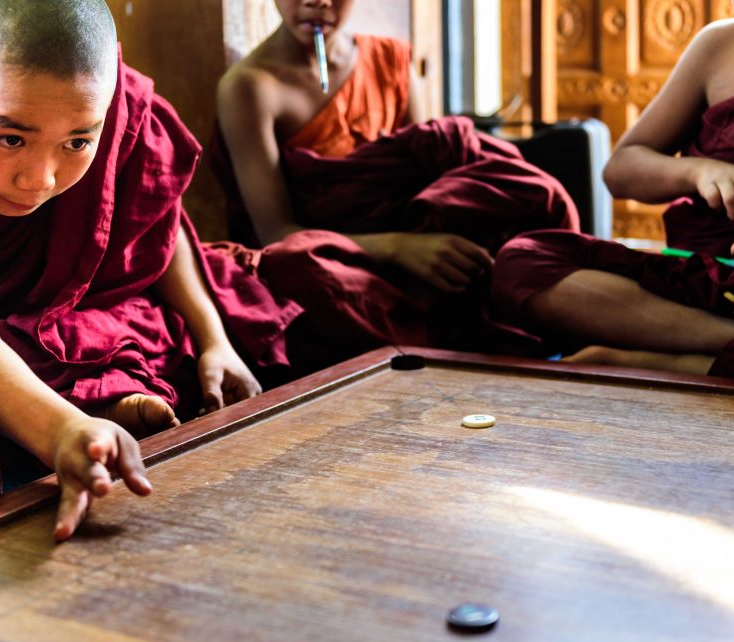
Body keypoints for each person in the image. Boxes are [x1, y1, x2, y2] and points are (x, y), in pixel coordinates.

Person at [0, 1, 301, 540]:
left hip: (15, 310)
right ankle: (77, 405)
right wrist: (61, 429)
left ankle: (76, 402)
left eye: (78, 143)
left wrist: (214, 339)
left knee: (156, 323)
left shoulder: (101, 95)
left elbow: (149, 215)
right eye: (10, 139)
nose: (40, 179)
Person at [491, 0, 734, 389]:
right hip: (721, 285)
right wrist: (699, 171)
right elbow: (621, 171)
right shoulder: (718, 48)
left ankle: (678, 363)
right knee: (522, 264)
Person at [212, 0, 578, 371]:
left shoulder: (391, 61)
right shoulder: (249, 87)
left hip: (420, 247)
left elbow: (434, 175)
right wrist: (397, 247)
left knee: (528, 194)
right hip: (339, 270)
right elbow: (277, 232)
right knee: (293, 266)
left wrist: (430, 239)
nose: (315, 1)